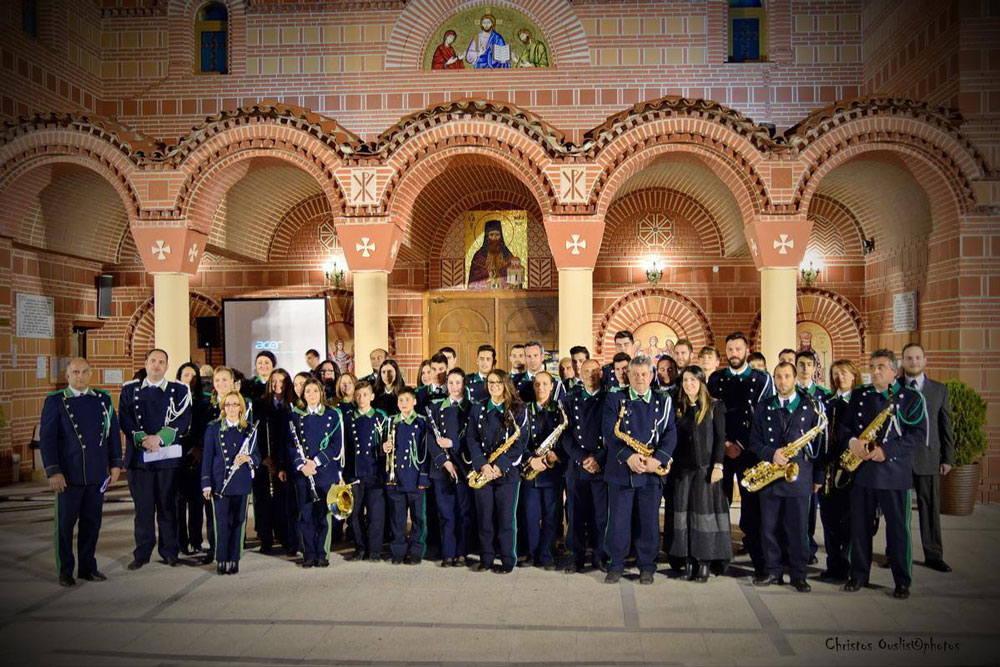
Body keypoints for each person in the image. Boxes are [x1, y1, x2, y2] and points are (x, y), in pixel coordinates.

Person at [839, 350, 927, 599]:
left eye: (880, 367)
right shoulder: (860, 395)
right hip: (863, 472)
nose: (874, 371)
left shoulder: (910, 398)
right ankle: (858, 574)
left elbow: (918, 435)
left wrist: (887, 451)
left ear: (894, 371)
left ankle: (902, 580)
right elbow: (844, 427)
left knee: (898, 530)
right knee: (860, 527)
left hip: (893, 474)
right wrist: (853, 442)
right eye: (871, 366)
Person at [40, 357, 122, 586]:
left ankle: (87, 567)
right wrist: (53, 471)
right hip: (69, 474)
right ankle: (65, 570)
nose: (80, 376)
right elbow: (47, 440)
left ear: (90, 374)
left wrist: (116, 463)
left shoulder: (103, 399)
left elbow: (113, 434)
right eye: (75, 372)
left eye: (85, 371)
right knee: (65, 526)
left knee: (91, 523)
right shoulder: (56, 401)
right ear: (67, 375)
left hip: (96, 472)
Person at [748, 362, 824, 592]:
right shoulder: (763, 406)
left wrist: (818, 477)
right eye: (779, 377)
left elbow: (821, 445)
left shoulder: (810, 406)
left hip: (799, 477)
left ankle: (798, 574)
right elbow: (754, 441)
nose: (783, 381)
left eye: (787, 376)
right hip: (771, 476)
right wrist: (771, 454)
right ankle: (773, 570)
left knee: (798, 529)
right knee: (769, 528)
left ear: (795, 378)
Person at [602, 355, 676, 585]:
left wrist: (658, 460)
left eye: (644, 374)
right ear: (629, 376)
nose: (640, 379)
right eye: (635, 374)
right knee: (618, 522)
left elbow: (670, 432)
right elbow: (609, 433)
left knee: (649, 522)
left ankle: (647, 566)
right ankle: (616, 564)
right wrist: (628, 456)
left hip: (651, 470)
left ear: (651, 376)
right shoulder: (616, 398)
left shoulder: (663, 400)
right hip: (622, 470)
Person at [707, 332, 774, 578]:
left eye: (738, 349)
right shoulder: (716, 379)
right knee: (718, 505)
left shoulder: (762, 379)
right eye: (730, 349)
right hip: (721, 452)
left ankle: (761, 563)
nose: (734, 353)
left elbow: (765, 417)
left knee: (753, 511)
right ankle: (718, 558)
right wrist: (725, 443)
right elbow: (711, 415)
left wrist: (741, 444)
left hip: (750, 452)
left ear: (747, 350)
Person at [119, 349, 192, 570]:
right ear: (146, 363)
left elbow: (183, 420)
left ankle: (169, 551)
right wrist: (144, 439)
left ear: (167, 366)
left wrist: (159, 439)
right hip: (139, 459)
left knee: (168, 507)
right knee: (143, 509)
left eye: (161, 362)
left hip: (166, 459)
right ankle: (142, 553)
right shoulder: (129, 390)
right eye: (153, 361)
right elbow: (125, 419)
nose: (157, 365)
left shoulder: (179, 390)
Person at [669, 366, 730, 582]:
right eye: (685, 380)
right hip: (682, 472)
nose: (689, 384)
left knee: (704, 517)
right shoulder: (677, 407)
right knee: (684, 517)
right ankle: (688, 561)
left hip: (706, 471)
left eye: (693, 380)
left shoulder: (714, 406)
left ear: (702, 382)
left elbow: (721, 438)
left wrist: (718, 466)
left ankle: (704, 562)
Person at [466, 369, 530, 573]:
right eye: (490, 382)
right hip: (483, 471)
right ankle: (486, 558)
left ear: (506, 385)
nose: (494, 386)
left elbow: (520, 442)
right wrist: (482, 464)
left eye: (498, 382)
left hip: (507, 473)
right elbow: (471, 438)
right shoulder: (478, 408)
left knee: (506, 520)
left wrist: (500, 466)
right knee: (484, 518)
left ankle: (508, 560)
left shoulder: (519, 409)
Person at [901, 342, 954, 573]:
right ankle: (896, 553)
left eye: (917, 357)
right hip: (900, 458)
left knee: (930, 509)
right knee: (898, 511)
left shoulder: (939, 390)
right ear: (903, 361)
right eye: (909, 358)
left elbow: (945, 426)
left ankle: (933, 555)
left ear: (925, 361)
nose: (913, 362)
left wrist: (947, 458)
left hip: (928, 457)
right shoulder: (895, 388)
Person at [201, 391, 259, 575]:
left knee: (238, 522)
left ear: (241, 407)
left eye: (235, 404)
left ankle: (234, 559)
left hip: (241, 482)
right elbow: (207, 457)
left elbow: (257, 455)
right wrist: (206, 483)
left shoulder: (249, 429)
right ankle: (221, 559)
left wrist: (248, 458)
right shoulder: (214, 428)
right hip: (220, 482)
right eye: (228, 405)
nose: (231, 408)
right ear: (223, 408)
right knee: (221, 522)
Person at [288, 377, 344, 568]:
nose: (311, 394)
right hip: (303, 473)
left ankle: (322, 553)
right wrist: (302, 465)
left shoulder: (332, 415)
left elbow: (336, 445)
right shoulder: (295, 416)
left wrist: (316, 462)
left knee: (323, 515)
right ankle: (309, 553)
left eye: (315, 390)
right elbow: (290, 445)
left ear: (321, 393)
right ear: (303, 395)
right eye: (307, 391)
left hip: (325, 472)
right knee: (305, 515)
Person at [562, 358, 608, 573]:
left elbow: (614, 433)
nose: (591, 375)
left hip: (601, 467)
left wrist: (598, 458)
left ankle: (600, 556)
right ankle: (576, 556)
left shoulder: (609, 399)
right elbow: (565, 434)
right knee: (575, 515)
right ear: (580, 374)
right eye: (587, 371)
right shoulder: (570, 399)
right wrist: (582, 458)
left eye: (595, 371)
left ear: (601, 374)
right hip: (577, 466)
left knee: (601, 516)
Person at [817, 359, 861, 583]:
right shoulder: (826, 402)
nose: (839, 377)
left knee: (849, 521)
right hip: (828, 469)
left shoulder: (860, 402)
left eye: (844, 373)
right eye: (835, 373)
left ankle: (847, 565)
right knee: (829, 520)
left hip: (852, 470)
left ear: (854, 375)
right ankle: (833, 564)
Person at [518, 372, 566, 570]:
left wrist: (557, 454)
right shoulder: (524, 410)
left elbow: (566, 436)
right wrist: (530, 458)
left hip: (552, 471)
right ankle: (532, 553)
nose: (541, 388)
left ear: (552, 386)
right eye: (537, 384)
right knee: (530, 516)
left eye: (545, 384)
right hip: (531, 468)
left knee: (551, 516)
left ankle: (546, 554)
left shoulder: (560, 410)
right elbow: (519, 439)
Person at [428, 368, 474, 566]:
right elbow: (430, 438)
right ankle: (448, 552)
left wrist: (453, 444)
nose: (454, 387)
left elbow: (474, 438)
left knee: (463, 512)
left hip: (463, 466)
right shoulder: (436, 407)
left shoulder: (472, 408)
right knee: (446, 513)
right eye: (451, 382)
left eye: (458, 382)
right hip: (442, 467)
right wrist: (445, 462)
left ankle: (462, 552)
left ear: (464, 384)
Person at [343, 381, 390, 561]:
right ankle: (360, 548)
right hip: (354, 473)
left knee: (376, 514)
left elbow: (388, 442)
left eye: (364, 395)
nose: (361, 398)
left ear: (372, 396)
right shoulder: (348, 418)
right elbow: (345, 447)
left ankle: (375, 550)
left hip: (375, 472)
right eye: (358, 395)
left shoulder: (381, 417)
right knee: (355, 514)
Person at [384, 388, 430, 564]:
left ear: (415, 402)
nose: (404, 403)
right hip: (396, 478)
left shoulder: (421, 422)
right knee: (397, 517)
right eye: (401, 400)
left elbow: (425, 451)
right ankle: (398, 550)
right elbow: (384, 448)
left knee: (418, 517)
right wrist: (384, 448)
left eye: (407, 400)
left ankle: (416, 550)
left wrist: (423, 476)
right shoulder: (391, 422)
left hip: (415, 477)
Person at [251, 369, 294, 555]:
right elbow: (253, 433)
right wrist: (262, 458)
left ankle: (285, 537)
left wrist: (282, 462)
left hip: (284, 461)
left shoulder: (292, 405)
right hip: (265, 460)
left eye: (282, 381)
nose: (278, 384)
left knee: (283, 502)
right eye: (274, 381)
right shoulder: (260, 405)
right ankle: (266, 538)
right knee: (263, 501)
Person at [795, 350, 830, 564]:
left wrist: (820, 472)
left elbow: (825, 438)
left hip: (812, 459)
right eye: (801, 364)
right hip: (791, 460)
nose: (805, 368)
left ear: (815, 367)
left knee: (809, 509)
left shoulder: (824, 395)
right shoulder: (789, 393)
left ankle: (808, 548)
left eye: (809, 364)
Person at [175, 362, 211, 557]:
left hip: (197, 455)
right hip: (177, 455)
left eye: (193, 376)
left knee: (197, 501)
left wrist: (199, 448)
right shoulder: (173, 399)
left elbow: (204, 428)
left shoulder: (203, 402)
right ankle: (181, 542)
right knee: (179, 502)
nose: (189, 379)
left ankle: (196, 541)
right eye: (185, 375)